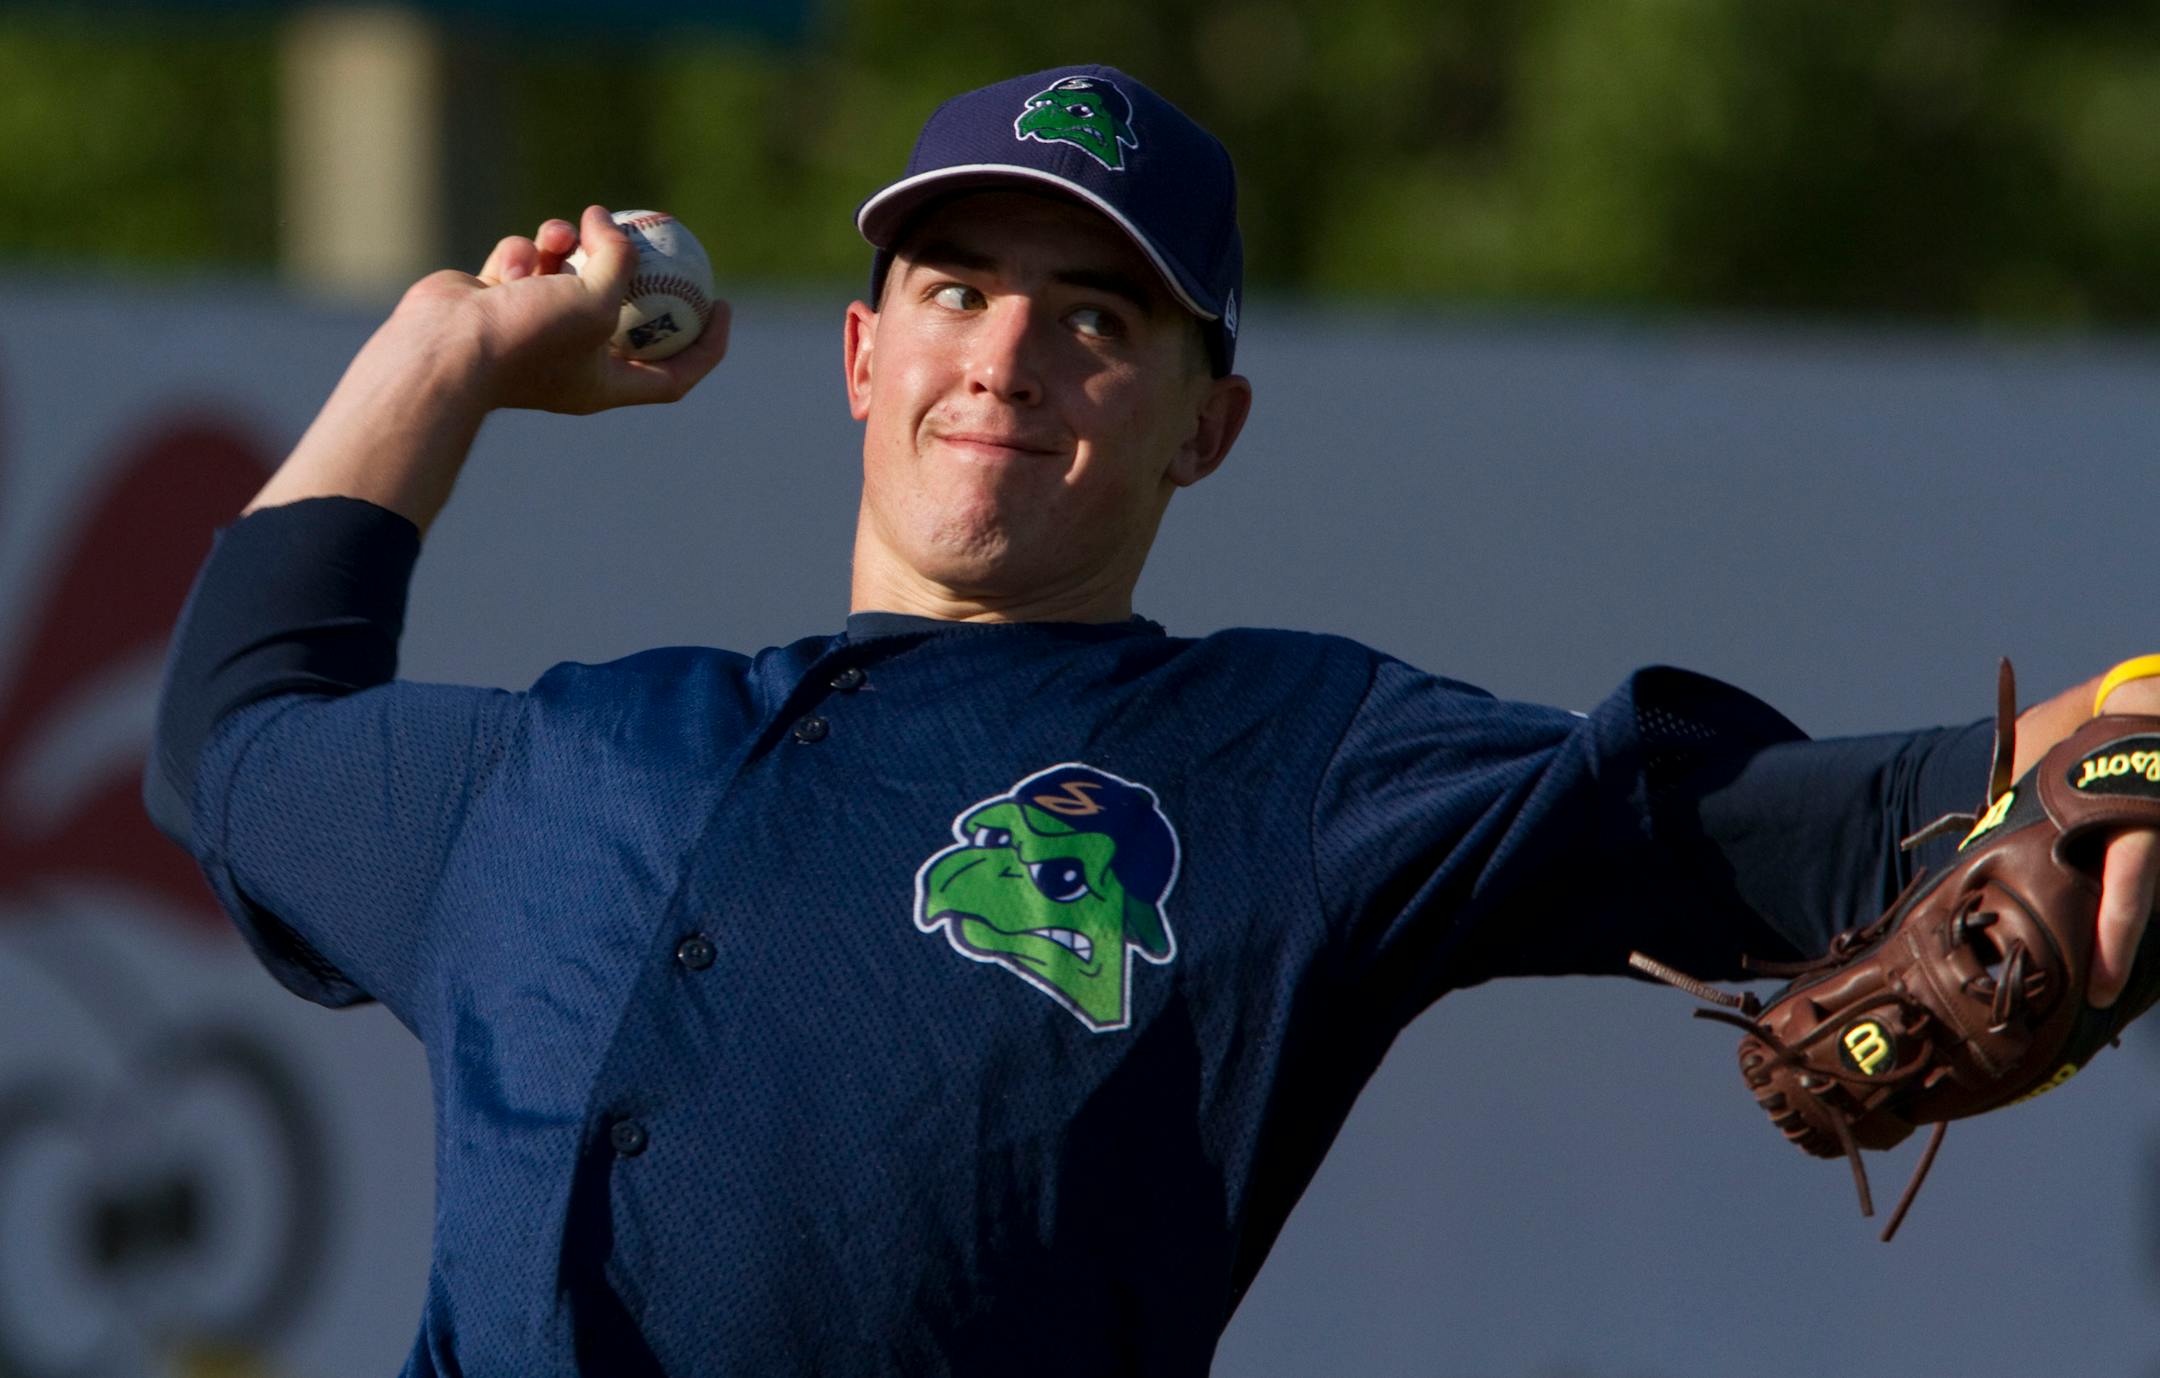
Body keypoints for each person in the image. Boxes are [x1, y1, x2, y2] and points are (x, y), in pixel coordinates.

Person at [146, 64, 2159, 1376]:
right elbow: (236, 739)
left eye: (1096, 315)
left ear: (1210, 424)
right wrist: (445, 353)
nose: (1007, 347)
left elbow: (1848, 814)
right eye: (955, 285)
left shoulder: (1282, 760)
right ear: (862, 352)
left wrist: (2146, 730)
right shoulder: (562, 760)